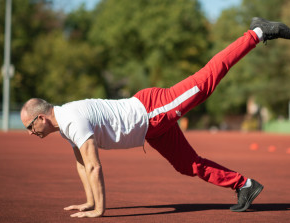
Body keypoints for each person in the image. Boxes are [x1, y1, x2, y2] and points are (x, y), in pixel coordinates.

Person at [21, 17, 290, 218]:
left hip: (153, 110)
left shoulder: (70, 119)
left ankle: (257, 32)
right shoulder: (66, 124)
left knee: (207, 79)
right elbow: (82, 165)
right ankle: (245, 185)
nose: (30, 133)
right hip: (150, 129)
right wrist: (89, 202)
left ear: (41, 118)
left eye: (29, 127)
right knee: (188, 165)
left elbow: (93, 166)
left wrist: (99, 210)